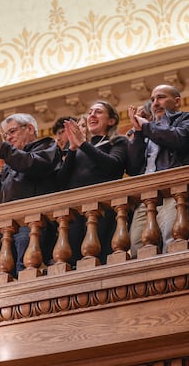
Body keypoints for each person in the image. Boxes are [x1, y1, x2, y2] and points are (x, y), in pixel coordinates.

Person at [0, 113, 61, 276]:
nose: (8, 138)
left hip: (33, 222)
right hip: (5, 225)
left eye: (12, 132)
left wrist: (1, 145)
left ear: (30, 129)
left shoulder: (47, 146)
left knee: (25, 266)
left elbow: (31, 164)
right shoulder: (9, 164)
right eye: (5, 135)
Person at [127, 84, 189, 256]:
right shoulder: (148, 128)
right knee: (136, 247)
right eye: (153, 99)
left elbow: (179, 139)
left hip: (174, 192)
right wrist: (139, 133)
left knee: (173, 240)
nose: (155, 103)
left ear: (177, 101)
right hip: (146, 197)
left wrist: (146, 127)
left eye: (161, 97)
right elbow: (132, 167)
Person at [57, 100, 128, 266]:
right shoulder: (79, 148)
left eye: (98, 112)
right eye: (90, 112)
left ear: (111, 121)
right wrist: (73, 149)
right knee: (73, 260)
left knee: (99, 257)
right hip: (75, 210)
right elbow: (61, 181)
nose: (92, 115)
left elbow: (114, 166)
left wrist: (82, 144)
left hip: (103, 208)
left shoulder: (117, 141)